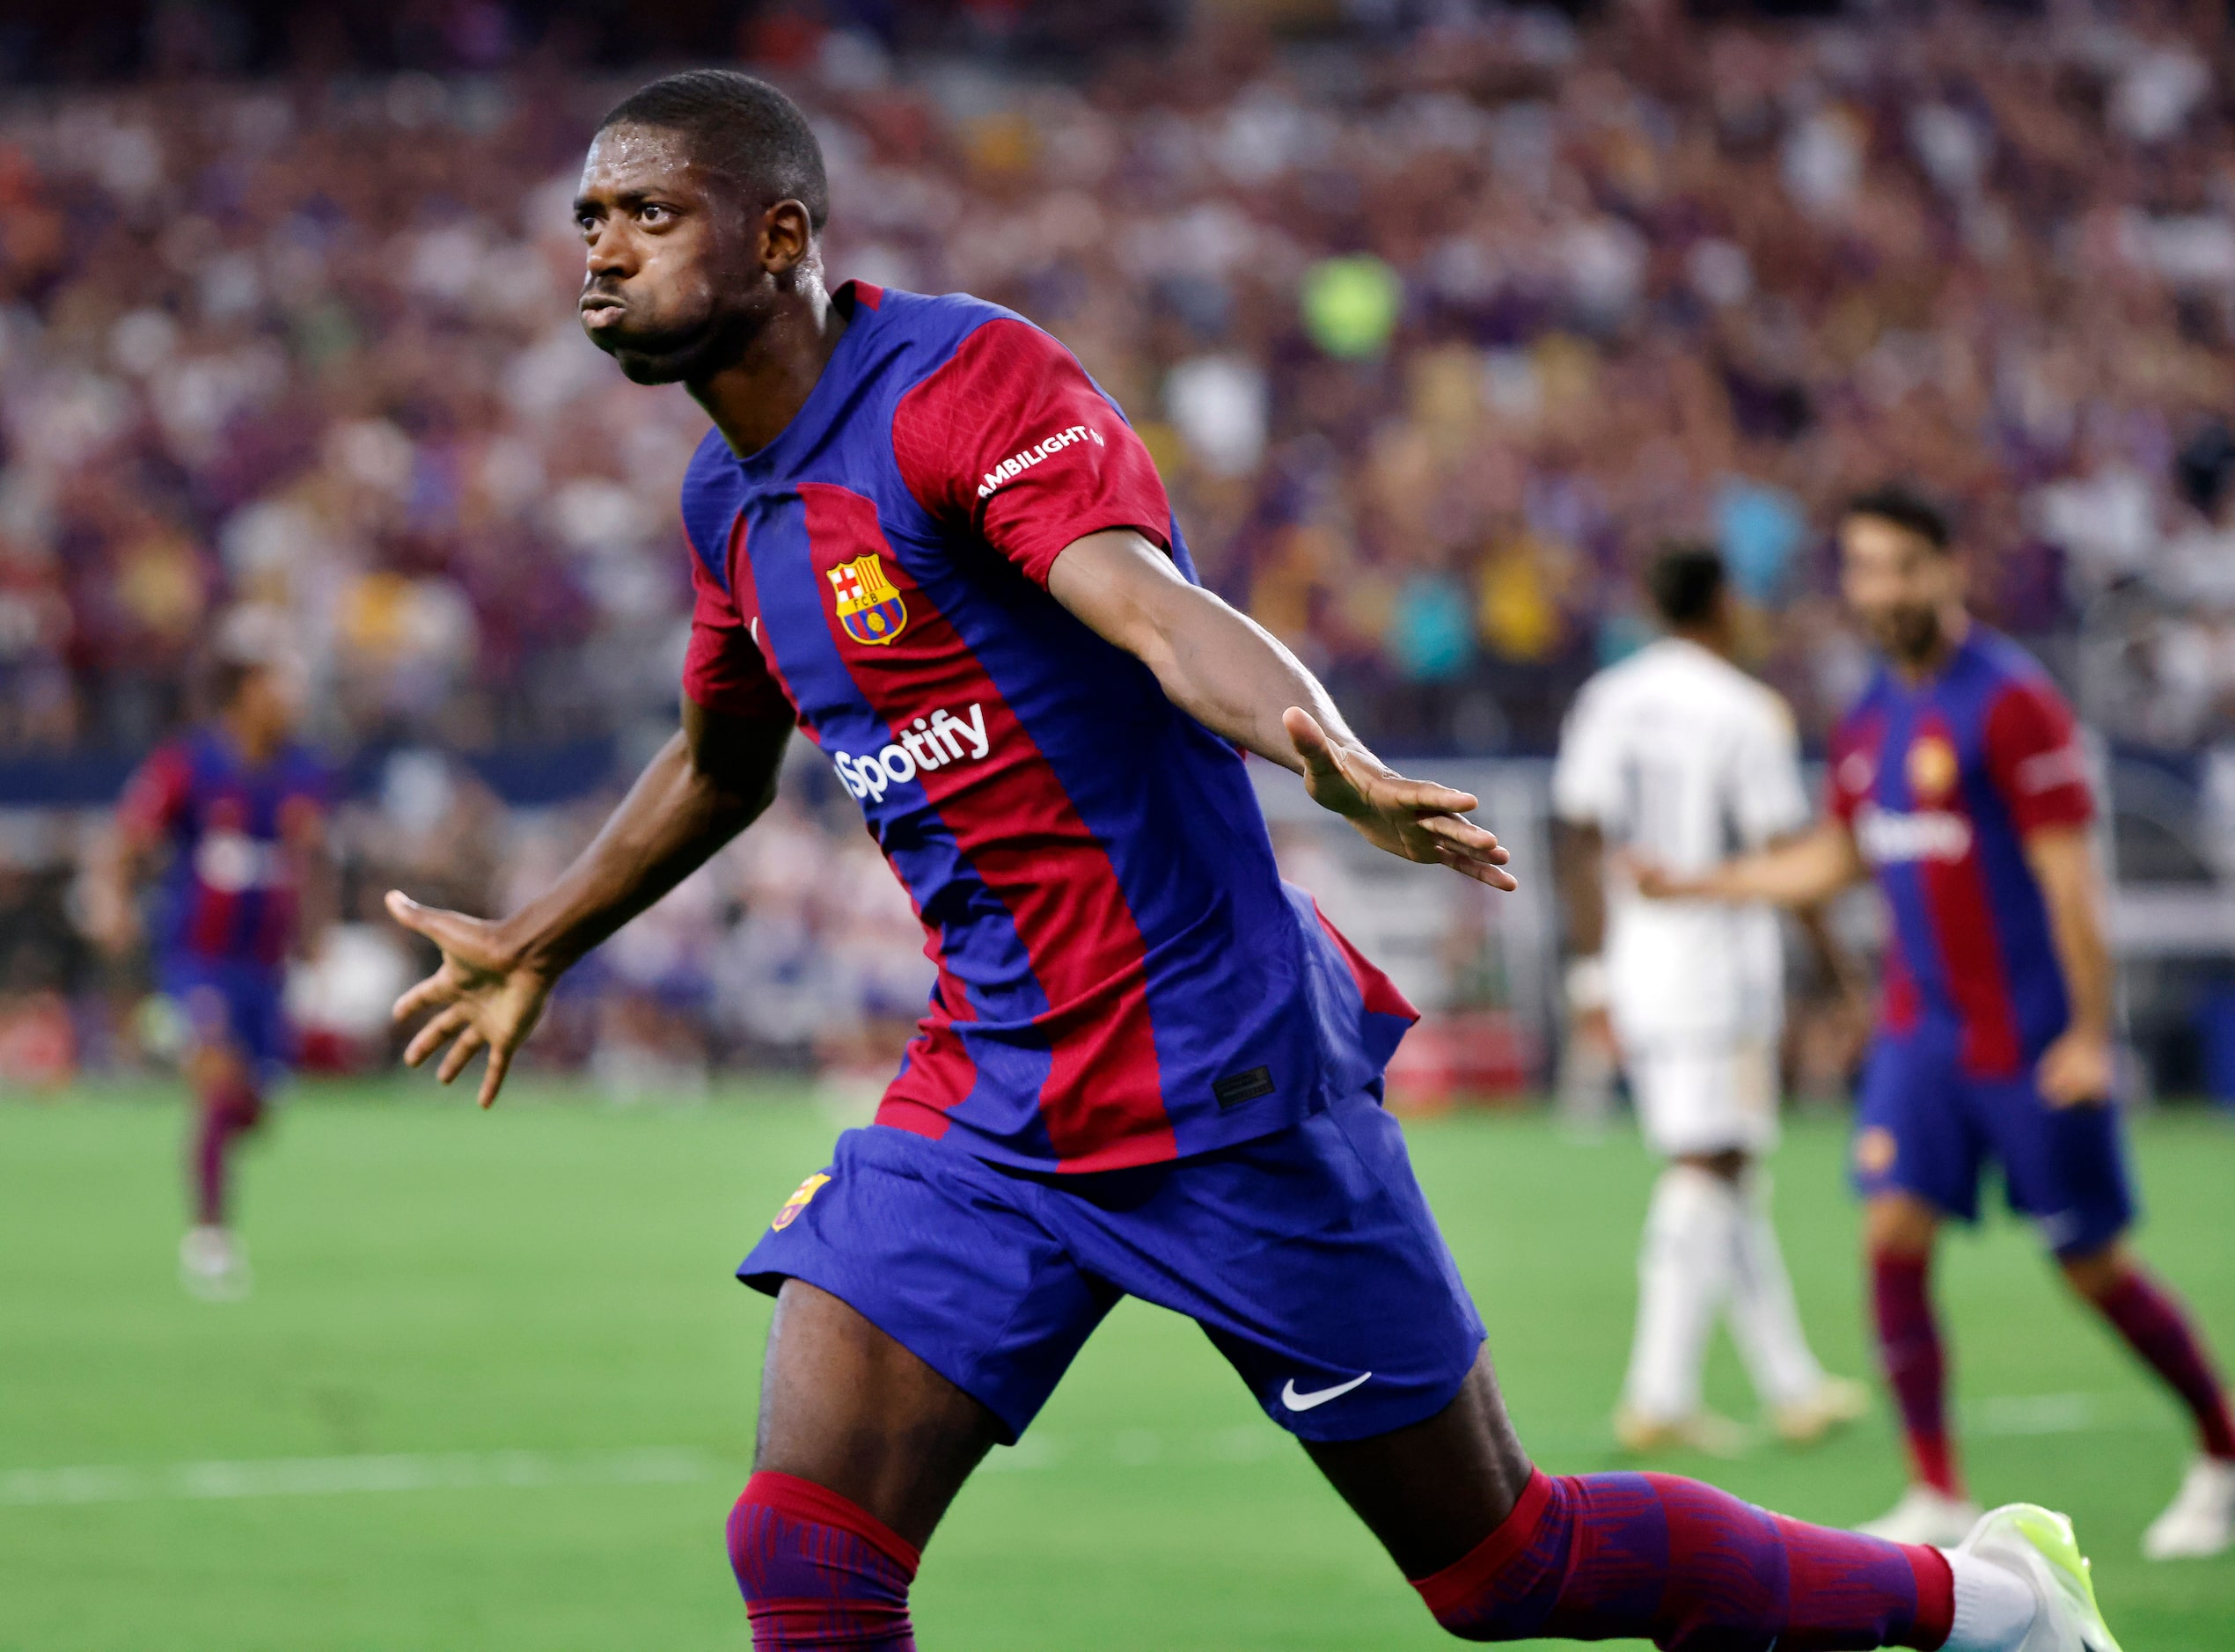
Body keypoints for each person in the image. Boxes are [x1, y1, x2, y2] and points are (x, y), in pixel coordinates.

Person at [386, 72, 2119, 1650]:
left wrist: (1325, 750)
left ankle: (1987, 1607)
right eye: (586, 223)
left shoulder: (959, 384)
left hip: (1219, 1077)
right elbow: (716, 761)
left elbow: (1148, 607)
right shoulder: (732, 505)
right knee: (804, 1550)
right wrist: (543, 937)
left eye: (644, 213)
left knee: (1504, 1572)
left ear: (779, 233)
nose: (598, 252)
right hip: (988, 1097)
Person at [1638, 486, 2235, 1560]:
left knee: (2092, 1269)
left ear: (1947, 571)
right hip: (1924, 1040)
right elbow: (1835, 854)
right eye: (1863, 568)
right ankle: (1935, 1494)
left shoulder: (2010, 702)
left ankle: (2221, 1451)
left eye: (1901, 567)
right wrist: (1701, 884)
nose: (1882, 590)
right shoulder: (1869, 716)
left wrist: (2090, 1036)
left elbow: (2066, 882)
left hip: (2028, 1040)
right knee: (1889, 1235)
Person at [1552, 544, 1870, 1456]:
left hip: (1640, 958)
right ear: (1724, 601)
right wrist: (1843, 977)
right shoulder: (1743, 710)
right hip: (1720, 963)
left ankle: (1790, 1385)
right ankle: (1655, 1393)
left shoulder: (1608, 699)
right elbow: (1785, 859)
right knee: (1706, 1167)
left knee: (1728, 1165)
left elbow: (1577, 839)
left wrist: (1590, 972)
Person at [94, 610, 327, 1299]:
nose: (293, 697)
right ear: (246, 690)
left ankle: (185, 1055)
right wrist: (111, 902)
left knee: (256, 1106)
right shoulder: (189, 764)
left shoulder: (303, 773)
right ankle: (210, 1236)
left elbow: (313, 861)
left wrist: (316, 933)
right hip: (199, 956)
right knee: (221, 1084)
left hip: (265, 965)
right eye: (281, 683)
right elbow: (126, 839)